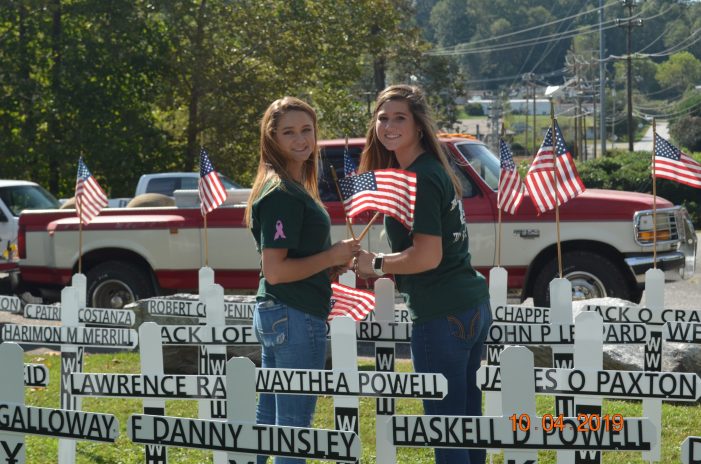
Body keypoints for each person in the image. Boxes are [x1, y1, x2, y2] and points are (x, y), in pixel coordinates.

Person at [355, 84, 492, 464]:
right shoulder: (427, 170)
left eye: (400, 117)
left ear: (418, 126)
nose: (389, 125)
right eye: (383, 118)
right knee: (466, 421)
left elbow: (428, 256)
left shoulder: (419, 177)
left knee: (447, 428)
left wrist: (376, 263)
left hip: (441, 312)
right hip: (470, 305)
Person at [244, 96, 359, 464]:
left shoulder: (289, 186)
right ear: (271, 137)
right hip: (293, 314)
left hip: (279, 311)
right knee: (293, 430)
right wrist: (333, 255)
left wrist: (326, 267)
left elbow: (289, 263)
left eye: (306, 130)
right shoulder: (281, 192)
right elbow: (275, 270)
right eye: (289, 132)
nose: (300, 140)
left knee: (270, 420)